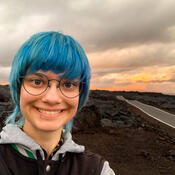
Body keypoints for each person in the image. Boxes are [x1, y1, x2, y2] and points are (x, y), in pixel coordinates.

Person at [0, 31, 115, 174]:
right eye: (37, 81)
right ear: (18, 89)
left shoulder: (98, 169)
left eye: (68, 85)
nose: (52, 98)